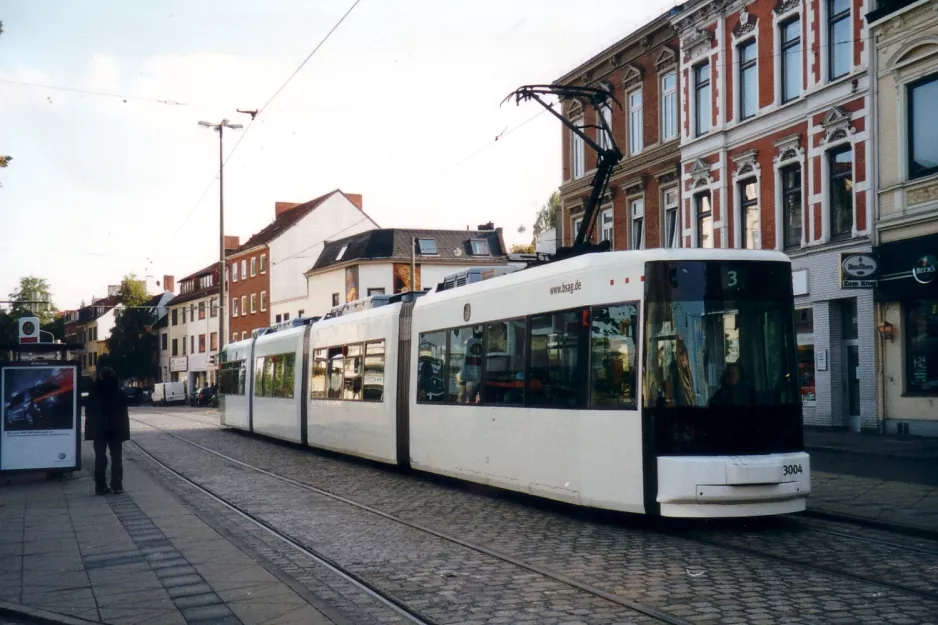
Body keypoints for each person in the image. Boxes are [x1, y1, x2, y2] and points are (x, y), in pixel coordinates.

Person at [84, 367, 130, 495]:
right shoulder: (119, 393)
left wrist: (90, 431)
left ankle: (100, 486)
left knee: (100, 458)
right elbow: (124, 415)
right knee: (116, 459)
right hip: (115, 431)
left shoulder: (95, 393)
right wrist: (124, 433)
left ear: (101, 377)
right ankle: (117, 485)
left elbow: (89, 413)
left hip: (99, 431)